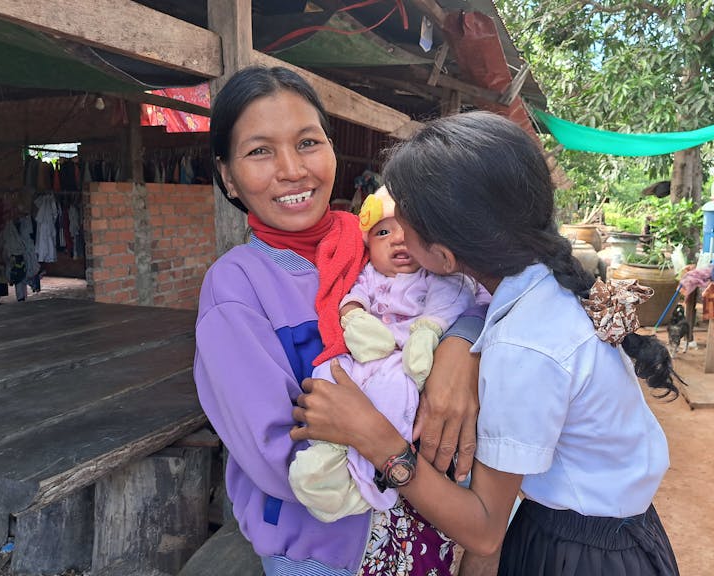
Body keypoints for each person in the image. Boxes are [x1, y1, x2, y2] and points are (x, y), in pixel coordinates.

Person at [291, 111, 681, 575]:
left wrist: (374, 438)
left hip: (578, 555)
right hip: (608, 534)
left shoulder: (523, 347)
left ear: (443, 256)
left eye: (404, 224)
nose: (395, 236)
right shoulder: (545, 291)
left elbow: (483, 529)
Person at [193, 66, 488, 576]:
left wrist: (459, 349)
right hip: (328, 552)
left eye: (307, 142)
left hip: (427, 531)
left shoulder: (384, 240)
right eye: (260, 151)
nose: (291, 169)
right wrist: (390, 443)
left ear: (331, 148)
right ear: (228, 176)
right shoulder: (236, 289)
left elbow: (477, 293)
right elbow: (278, 459)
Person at [289, 186, 487, 523]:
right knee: (328, 374)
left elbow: (452, 299)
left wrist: (427, 330)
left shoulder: (435, 275)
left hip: (405, 355)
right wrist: (353, 318)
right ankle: (330, 456)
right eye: (383, 231)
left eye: (408, 230)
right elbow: (352, 298)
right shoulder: (367, 273)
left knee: (395, 391)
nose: (397, 239)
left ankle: (368, 476)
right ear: (367, 245)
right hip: (364, 353)